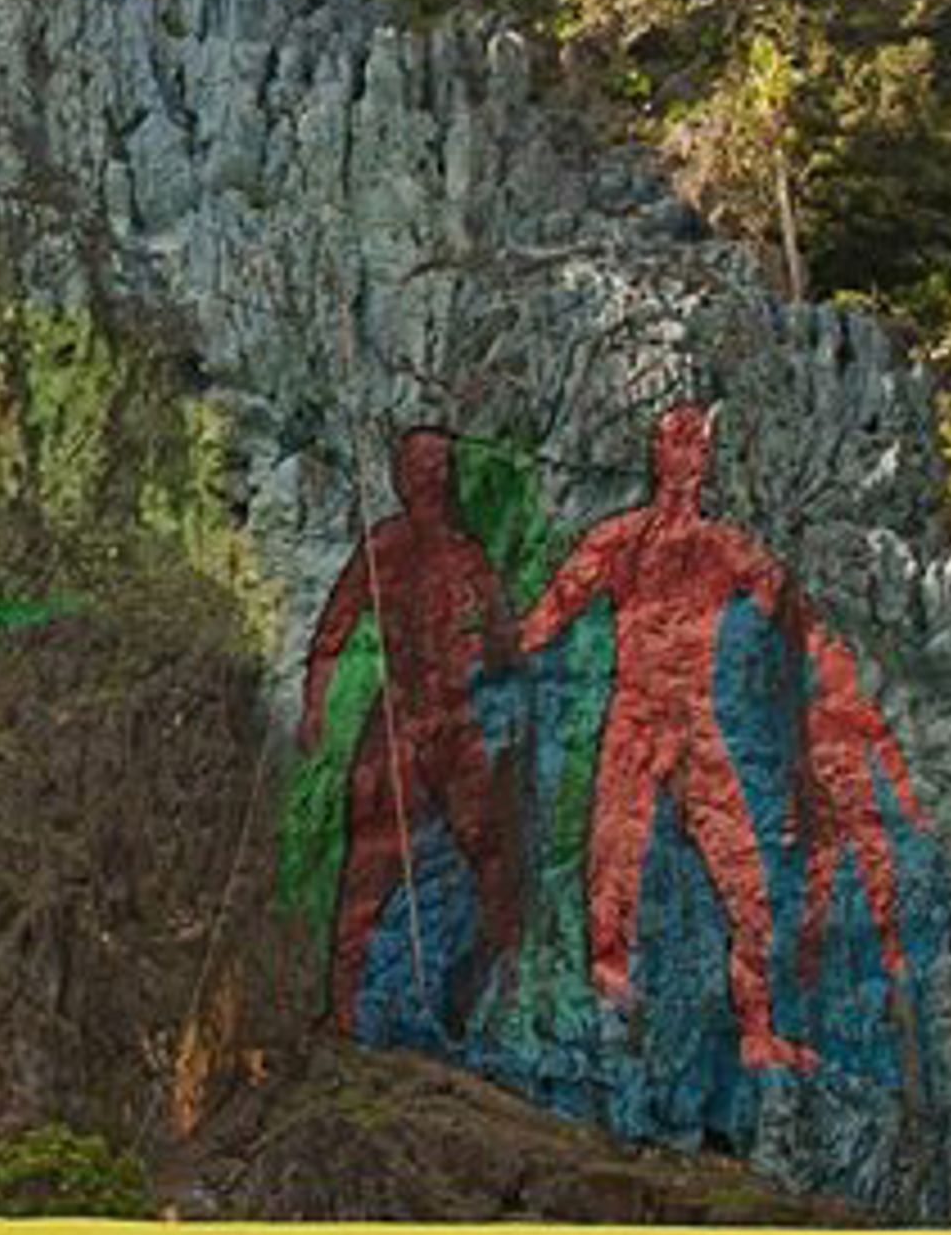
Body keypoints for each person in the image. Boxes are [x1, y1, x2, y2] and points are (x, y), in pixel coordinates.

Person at [518, 404, 814, 1073]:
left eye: (696, 445)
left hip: (695, 720)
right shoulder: (620, 540)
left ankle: (758, 1027)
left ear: (707, 459)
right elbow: (547, 618)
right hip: (635, 713)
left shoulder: (727, 548)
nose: (686, 457)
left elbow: (787, 620)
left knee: (746, 881)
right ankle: (606, 973)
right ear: (657, 453)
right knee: (613, 856)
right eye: (675, 443)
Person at [302, 429, 518, 1035]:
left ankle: (480, 991)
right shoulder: (386, 547)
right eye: (416, 466)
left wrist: (498, 670)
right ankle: (342, 1009)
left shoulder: (467, 555)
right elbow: (330, 636)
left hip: (455, 721)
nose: (426, 478)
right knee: (369, 860)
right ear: (400, 474)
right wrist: (315, 710)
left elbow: (507, 645)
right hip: (399, 715)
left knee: (494, 858)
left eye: (437, 467)